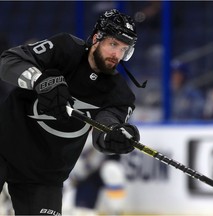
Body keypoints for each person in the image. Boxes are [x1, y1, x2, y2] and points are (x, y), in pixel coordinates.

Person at [0, 9, 141, 215]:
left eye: (123, 49)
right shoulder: (65, 48)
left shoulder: (120, 94)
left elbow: (106, 126)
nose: (116, 55)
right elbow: (8, 61)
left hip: (45, 176)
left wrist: (115, 135)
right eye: (113, 44)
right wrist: (41, 81)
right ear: (96, 38)